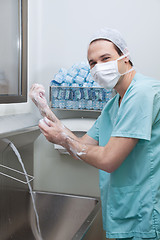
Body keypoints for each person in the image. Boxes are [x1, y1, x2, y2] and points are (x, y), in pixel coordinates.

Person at [30, 28, 160, 240]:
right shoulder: (112, 106)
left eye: (105, 58)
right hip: (121, 212)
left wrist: (63, 138)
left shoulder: (142, 93)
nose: (99, 67)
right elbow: (79, 146)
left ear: (125, 57)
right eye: (92, 63)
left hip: (143, 217)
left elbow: (108, 159)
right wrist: (44, 109)